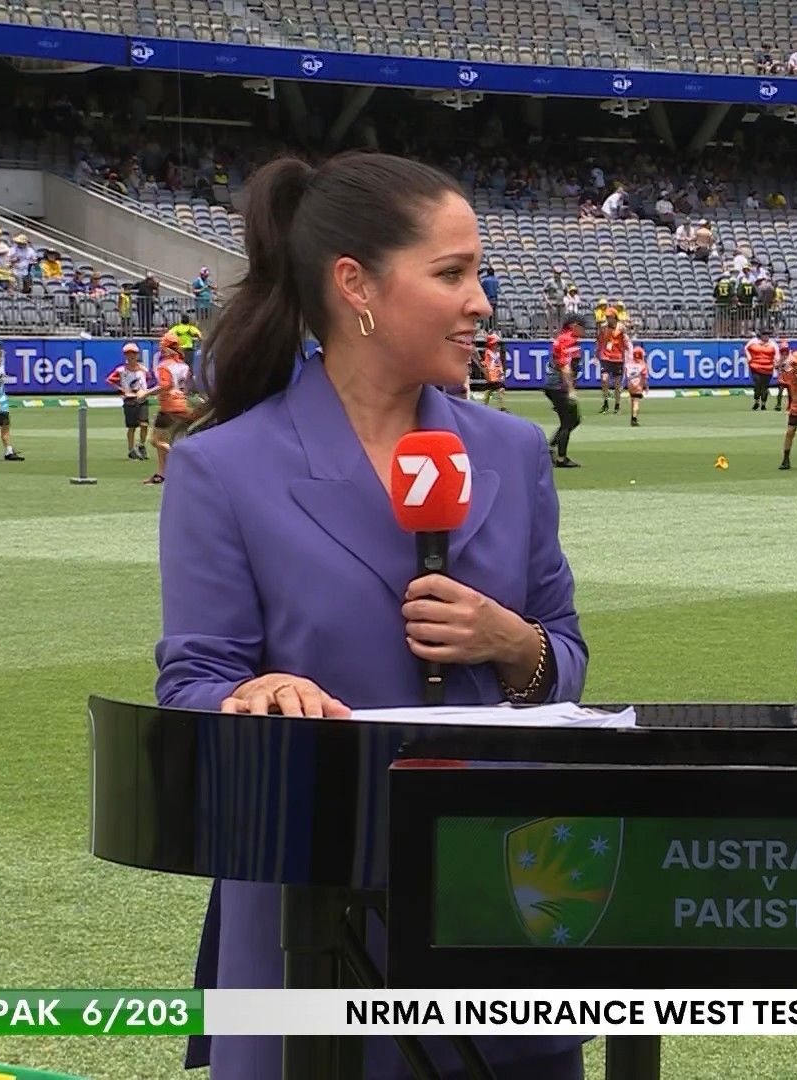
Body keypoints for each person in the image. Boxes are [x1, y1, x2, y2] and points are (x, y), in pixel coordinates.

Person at [152, 152, 589, 1080]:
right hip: (310, 907)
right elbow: (193, 680)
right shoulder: (222, 468)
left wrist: (513, 644)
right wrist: (256, 692)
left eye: (478, 273)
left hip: (501, 896)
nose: (480, 302)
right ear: (356, 286)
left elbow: (565, 658)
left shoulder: (513, 451)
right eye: (451, 273)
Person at [146, 332, 194, 485]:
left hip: (168, 407)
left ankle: (183, 458)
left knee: (155, 440)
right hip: (183, 406)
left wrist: (145, 394)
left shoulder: (164, 366)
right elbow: (188, 387)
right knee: (166, 439)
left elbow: (165, 385)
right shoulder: (184, 366)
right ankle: (162, 474)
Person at [546, 314, 585, 467]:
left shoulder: (562, 338)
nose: (584, 330)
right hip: (559, 386)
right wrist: (570, 390)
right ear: (574, 326)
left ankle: (549, 448)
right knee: (568, 421)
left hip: (553, 385)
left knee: (573, 420)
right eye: (582, 327)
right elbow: (566, 366)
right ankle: (561, 458)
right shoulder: (569, 340)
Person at [106, 342, 153, 460]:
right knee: (132, 426)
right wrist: (121, 390)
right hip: (129, 400)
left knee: (144, 424)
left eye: (133, 353)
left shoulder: (143, 369)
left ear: (137, 355)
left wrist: (144, 391)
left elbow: (148, 379)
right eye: (128, 353)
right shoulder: (121, 370)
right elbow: (109, 380)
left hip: (142, 398)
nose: (131, 356)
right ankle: (131, 450)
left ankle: (141, 445)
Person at [594, 310, 627, 415]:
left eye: (610, 317)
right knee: (604, 379)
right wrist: (596, 355)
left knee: (617, 384)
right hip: (606, 357)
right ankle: (605, 403)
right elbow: (599, 341)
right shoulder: (603, 328)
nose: (608, 319)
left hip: (618, 358)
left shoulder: (621, 328)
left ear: (614, 317)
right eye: (607, 317)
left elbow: (626, 342)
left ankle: (617, 405)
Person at [745, 327, 780, 411]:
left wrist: (776, 362)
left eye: (767, 334)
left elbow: (777, 354)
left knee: (764, 387)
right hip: (755, 367)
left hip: (768, 368)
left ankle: (763, 404)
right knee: (757, 385)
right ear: (760, 335)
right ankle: (756, 401)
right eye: (764, 334)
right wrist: (749, 357)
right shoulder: (754, 341)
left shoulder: (773, 344)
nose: (766, 336)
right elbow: (746, 348)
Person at [478, 332, 508, 411]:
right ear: (491, 344)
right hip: (491, 375)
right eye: (495, 343)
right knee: (489, 391)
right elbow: (486, 364)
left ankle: (502, 407)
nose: (497, 345)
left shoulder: (498, 352)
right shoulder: (488, 352)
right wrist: (487, 374)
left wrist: (502, 373)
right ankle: (484, 406)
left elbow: (499, 364)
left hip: (498, 375)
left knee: (500, 390)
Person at [622, 343, 648, 426]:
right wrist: (646, 387)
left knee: (632, 400)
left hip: (630, 385)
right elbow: (644, 377)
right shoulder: (642, 365)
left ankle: (632, 417)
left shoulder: (629, 364)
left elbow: (626, 374)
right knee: (636, 402)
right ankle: (634, 418)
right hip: (638, 385)